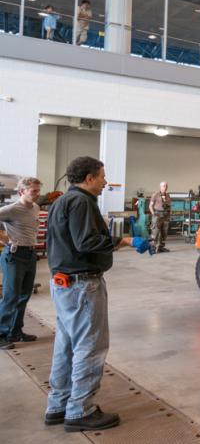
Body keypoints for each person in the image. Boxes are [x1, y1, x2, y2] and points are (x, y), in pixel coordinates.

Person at [45, 156, 125, 432]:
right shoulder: (81, 202)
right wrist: (121, 241)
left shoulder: (61, 201)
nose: (105, 182)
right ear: (89, 178)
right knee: (90, 346)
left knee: (66, 345)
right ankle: (80, 410)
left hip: (64, 284)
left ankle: (58, 404)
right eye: (102, 177)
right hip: (82, 285)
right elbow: (86, 241)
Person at [0, 177, 42, 350]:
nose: (38, 194)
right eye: (34, 191)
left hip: (30, 254)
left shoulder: (36, 208)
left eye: (38, 190)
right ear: (21, 192)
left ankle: (15, 332)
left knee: (24, 295)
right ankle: (1, 334)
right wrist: (4, 238)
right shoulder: (11, 209)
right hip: (14, 255)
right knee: (11, 297)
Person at [149, 182, 171, 253]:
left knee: (164, 232)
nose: (165, 187)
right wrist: (153, 214)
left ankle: (161, 247)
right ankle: (152, 247)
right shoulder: (155, 195)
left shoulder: (168, 195)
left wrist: (169, 213)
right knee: (155, 232)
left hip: (166, 215)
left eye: (166, 186)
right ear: (160, 187)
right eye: (164, 186)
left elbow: (169, 205)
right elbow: (150, 206)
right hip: (157, 214)